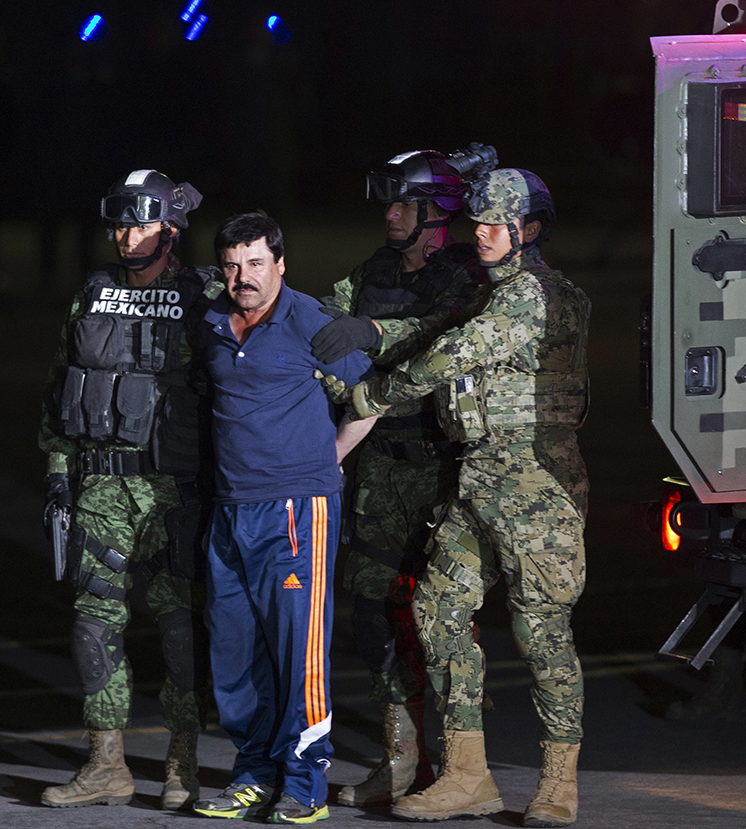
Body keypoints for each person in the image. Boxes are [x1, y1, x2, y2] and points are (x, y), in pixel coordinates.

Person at [349, 169, 591, 826]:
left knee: (541, 630)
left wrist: (377, 393)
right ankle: (465, 773)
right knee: (436, 608)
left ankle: (558, 781)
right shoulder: (494, 292)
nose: (477, 234)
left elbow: (454, 350)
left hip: (537, 492)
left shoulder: (532, 297)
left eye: (492, 224)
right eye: (475, 221)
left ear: (527, 229)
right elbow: (430, 329)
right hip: (479, 479)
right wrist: (366, 332)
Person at [309, 149, 488, 807]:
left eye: (401, 203)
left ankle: (458, 766)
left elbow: (445, 331)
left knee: (443, 622)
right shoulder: (379, 269)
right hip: (381, 466)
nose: (388, 213)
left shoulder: (464, 275)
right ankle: (400, 761)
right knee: (374, 617)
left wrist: (371, 330)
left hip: (442, 469)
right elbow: (327, 315)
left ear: (436, 213)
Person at [37, 169, 215, 810]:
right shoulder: (94, 292)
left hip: (175, 489)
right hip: (101, 487)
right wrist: (58, 474)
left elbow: (242, 389)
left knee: (180, 628)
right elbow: (63, 389)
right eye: (119, 223)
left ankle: (182, 765)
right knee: (92, 623)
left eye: (139, 223)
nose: (125, 235)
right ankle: (106, 764)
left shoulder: (205, 294)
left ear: (169, 228)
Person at [192, 211, 374, 824]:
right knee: (236, 651)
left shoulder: (309, 320)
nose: (243, 277)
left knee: (300, 651)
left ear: (280, 263)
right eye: (232, 265)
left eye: (255, 264)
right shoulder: (214, 319)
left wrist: (331, 455)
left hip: (298, 510)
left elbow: (374, 396)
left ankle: (305, 782)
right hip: (230, 511)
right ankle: (253, 773)